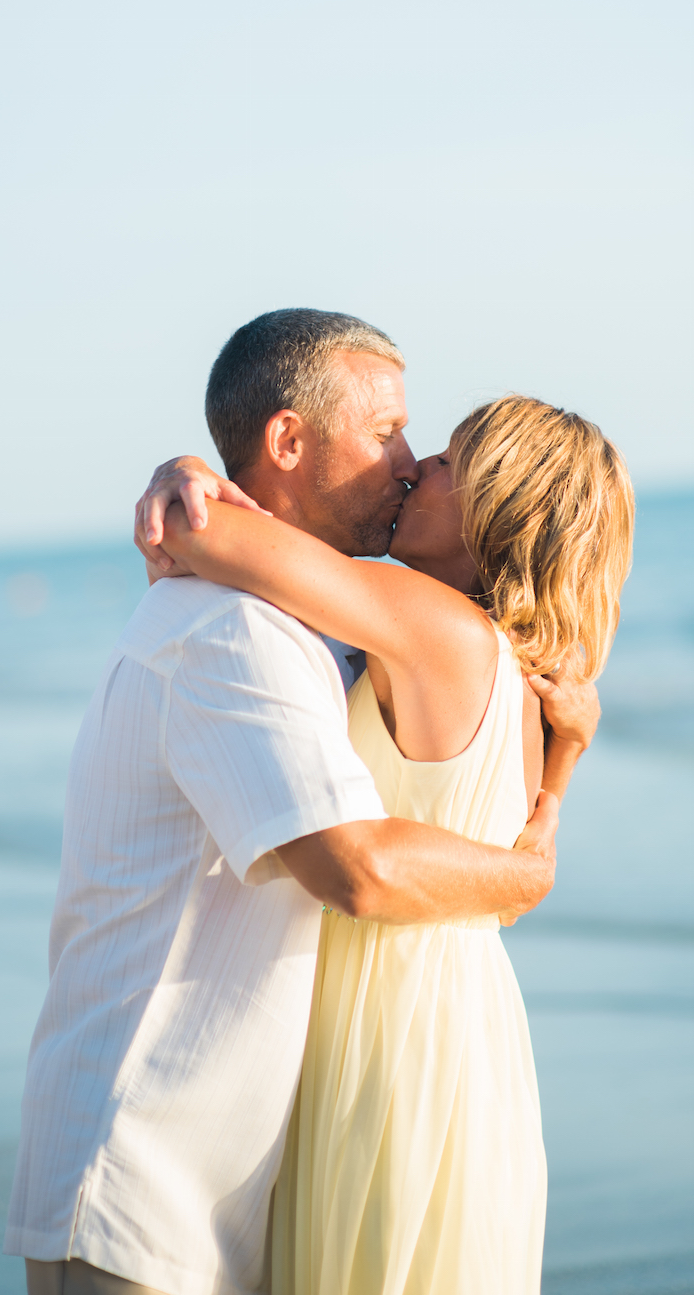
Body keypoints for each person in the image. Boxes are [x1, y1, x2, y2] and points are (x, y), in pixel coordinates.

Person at [5, 310, 598, 1295]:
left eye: (431, 450)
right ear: (288, 441)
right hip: (147, 1173)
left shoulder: (350, 636)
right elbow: (356, 867)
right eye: (388, 436)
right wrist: (538, 848)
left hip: (223, 1171)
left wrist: (193, 483)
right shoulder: (240, 630)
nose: (410, 464)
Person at [145, 392, 634, 1294]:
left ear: (496, 505)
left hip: (391, 1033)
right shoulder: (521, 680)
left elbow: (204, 538)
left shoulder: (429, 623)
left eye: (448, 460)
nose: (416, 468)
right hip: (460, 1028)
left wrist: (181, 475)